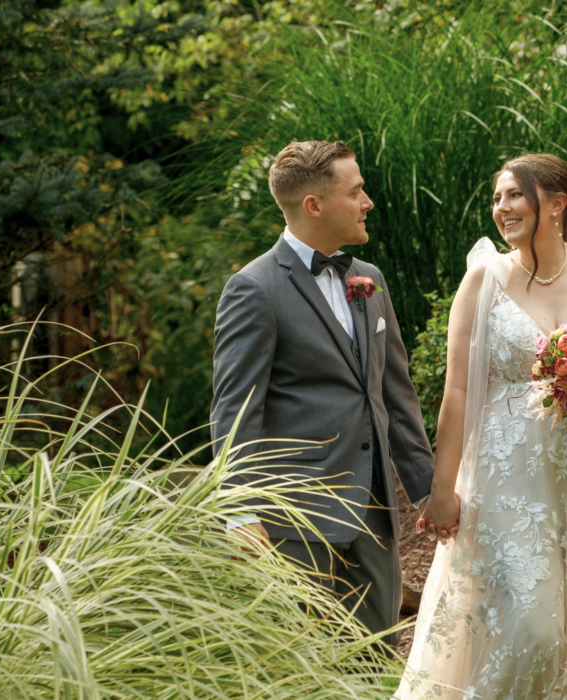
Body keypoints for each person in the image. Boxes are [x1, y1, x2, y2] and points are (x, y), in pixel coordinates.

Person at [398, 154, 567, 698]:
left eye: (514, 195)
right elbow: (459, 391)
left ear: (556, 203)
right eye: (497, 198)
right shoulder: (483, 280)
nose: (502, 208)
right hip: (509, 482)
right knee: (532, 632)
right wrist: (441, 490)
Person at [210, 140, 438, 652]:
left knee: (376, 663)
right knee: (305, 668)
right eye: (356, 191)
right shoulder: (254, 288)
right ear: (314, 205)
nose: (368, 202)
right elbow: (235, 409)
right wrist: (241, 512)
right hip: (295, 523)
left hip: (376, 519)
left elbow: (394, 397)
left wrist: (429, 492)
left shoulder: (370, 280)